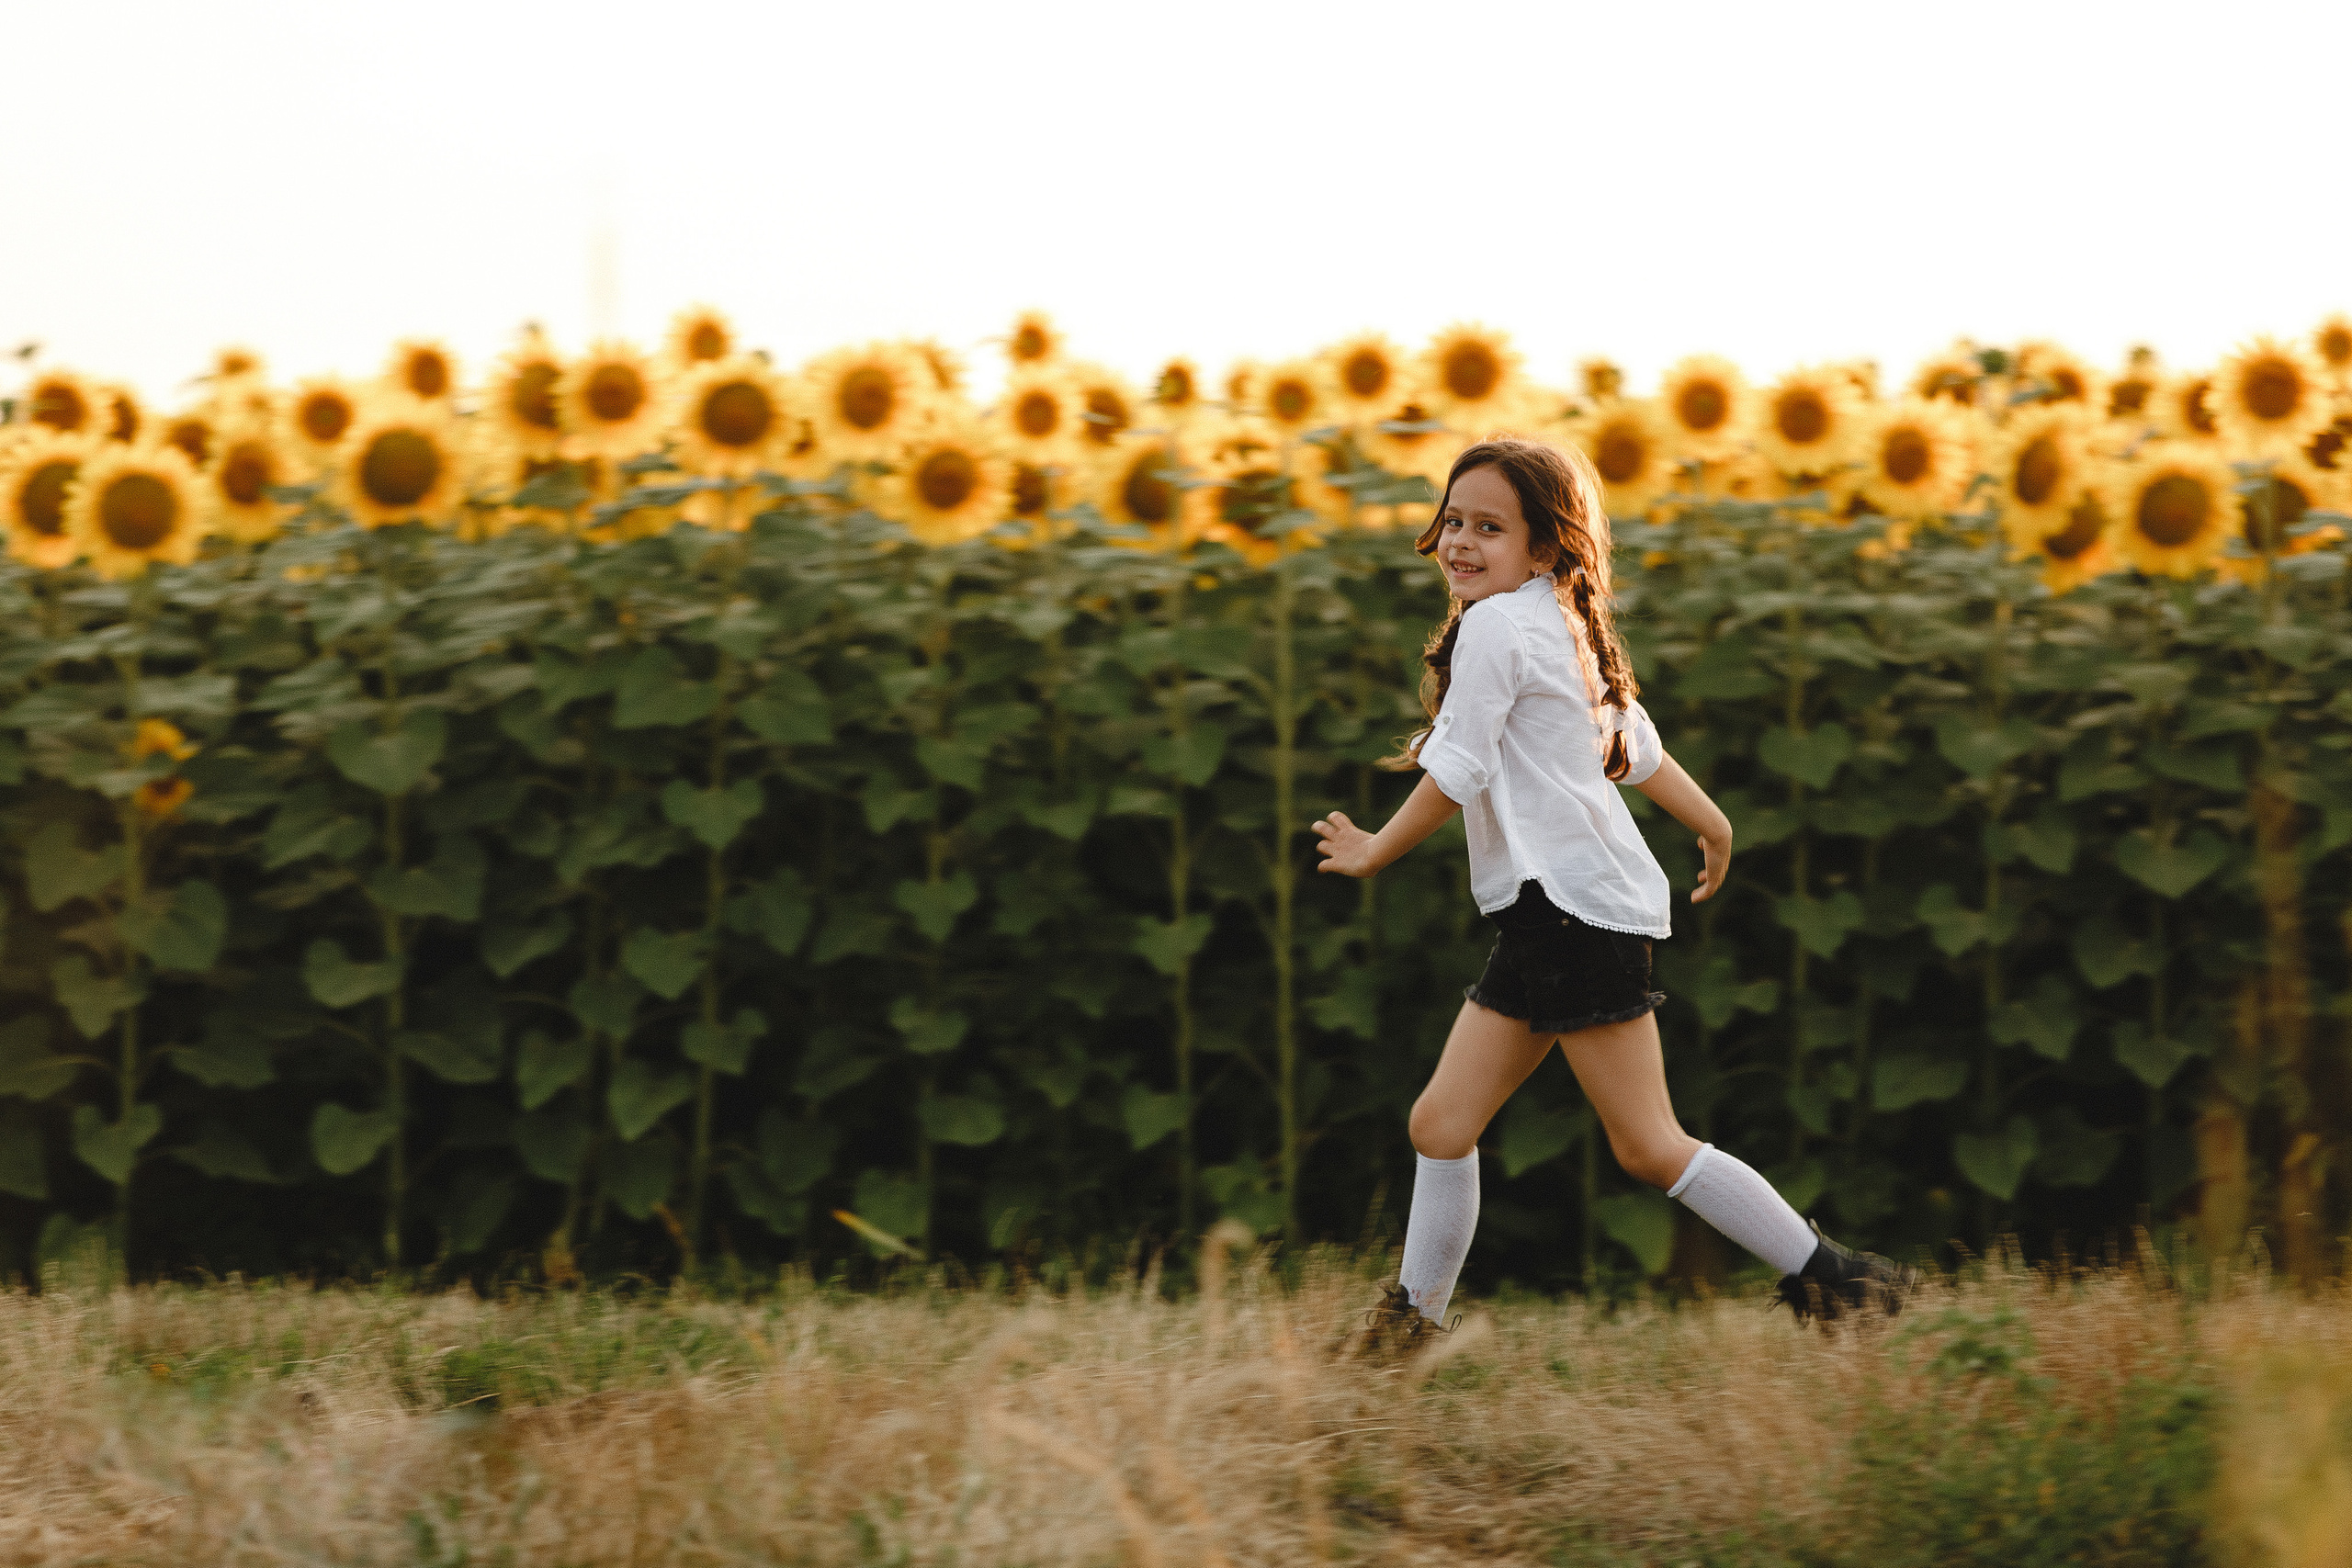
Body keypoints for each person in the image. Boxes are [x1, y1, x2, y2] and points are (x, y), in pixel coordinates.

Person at [1310, 435, 1916, 1343]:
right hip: (1555, 913)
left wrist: (1374, 851)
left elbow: (1462, 767)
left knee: (1647, 1145)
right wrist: (1712, 823)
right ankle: (1407, 1330)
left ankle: (1838, 1285)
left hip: (1570, 916)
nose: (1460, 543)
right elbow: (1629, 746)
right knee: (1441, 1123)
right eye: (1452, 522)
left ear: (1545, 547)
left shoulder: (1498, 626)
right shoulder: (1552, 617)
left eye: (1488, 527)